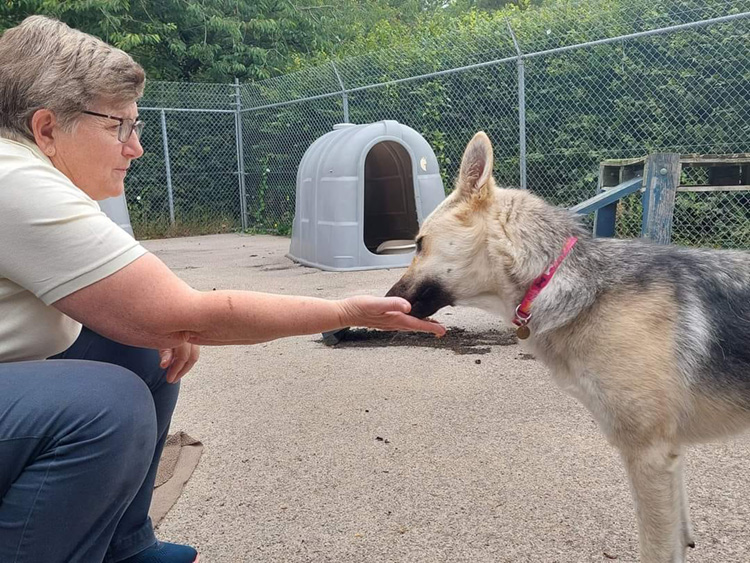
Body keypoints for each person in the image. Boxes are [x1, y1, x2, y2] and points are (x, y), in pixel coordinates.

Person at [0, 15, 445, 563]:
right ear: (46, 129)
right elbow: (187, 312)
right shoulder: (15, 181)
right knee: (103, 408)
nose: (134, 147)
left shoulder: (25, 169)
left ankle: (124, 546)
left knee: (141, 345)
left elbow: (141, 299)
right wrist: (345, 309)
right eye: (118, 125)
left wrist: (159, 323)